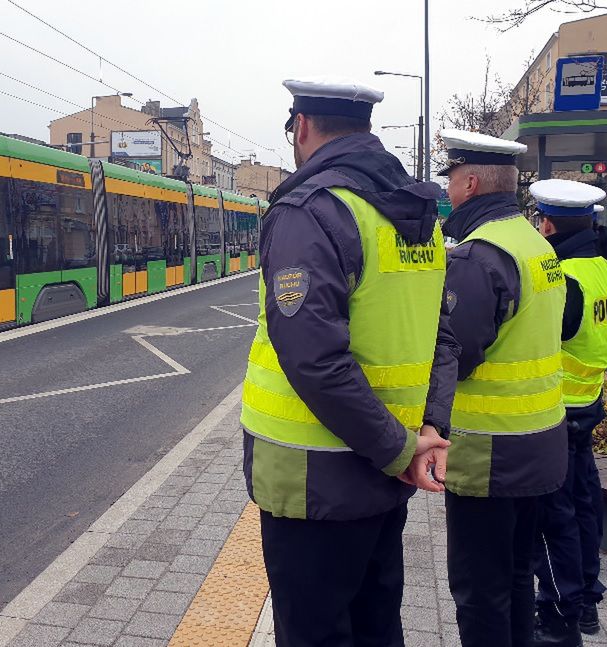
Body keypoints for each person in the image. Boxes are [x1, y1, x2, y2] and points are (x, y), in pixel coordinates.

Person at [241, 77, 453, 646]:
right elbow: (441, 334)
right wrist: (427, 430)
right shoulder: (416, 215)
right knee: (376, 626)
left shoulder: (311, 211)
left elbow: (314, 358)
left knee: (313, 633)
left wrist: (402, 449)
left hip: (313, 481)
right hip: (384, 477)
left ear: (302, 127)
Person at [423, 130, 568, 647]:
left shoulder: (478, 255)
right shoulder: (535, 244)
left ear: (472, 181)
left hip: (489, 455)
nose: (451, 194)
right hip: (540, 442)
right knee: (515, 578)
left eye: (453, 182)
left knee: (479, 591)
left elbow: (454, 355)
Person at [529, 180, 607, 647]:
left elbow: (546, 337)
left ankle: (558, 609)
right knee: (586, 504)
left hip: (558, 409)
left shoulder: (564, 277)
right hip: (589, 403)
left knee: (556, 516)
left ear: (546, 224)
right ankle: (587, 595)